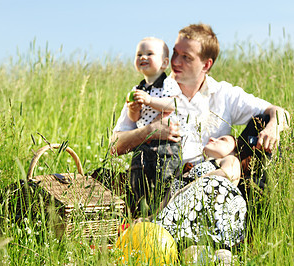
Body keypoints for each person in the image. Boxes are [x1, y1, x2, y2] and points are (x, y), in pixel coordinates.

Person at [111, 24, 290, 165]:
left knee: (265, 121)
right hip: (163, 183)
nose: (175, 62)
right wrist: (148, 131)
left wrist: (273, 127)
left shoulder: (223, 94)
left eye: (185, 57)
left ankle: (255, 203)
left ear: (206, 65)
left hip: (213, 179)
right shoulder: (151, 90)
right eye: (175, 53)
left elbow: (281, 113)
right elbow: (113, 146)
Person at [123, 37, 187, 216]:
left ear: (164, 63)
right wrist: (133, 109)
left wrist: (150, 100)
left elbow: (173, 105)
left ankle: (161, 215)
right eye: (139, 54)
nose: (143, 57)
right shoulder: (137, 88)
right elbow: (135, 118)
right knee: (137, 178)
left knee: (164, 180)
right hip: (142, 143)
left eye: (149, 54)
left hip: (165, 144)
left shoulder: (169, 83)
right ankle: (141, 213)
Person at [152, 134, 246, 250]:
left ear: (233, 151)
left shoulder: (229, 159)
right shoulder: (189, 169)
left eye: (223, 140)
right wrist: (149, 218)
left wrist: (190, 186)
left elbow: (229, 174)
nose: (212, 139)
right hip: (181, 218)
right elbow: (166, 204)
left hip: (208, 218)